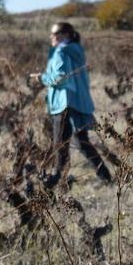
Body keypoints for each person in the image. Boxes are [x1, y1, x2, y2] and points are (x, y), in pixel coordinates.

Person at [33, 22, 111, 185]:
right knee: (82, 142)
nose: (51, 37)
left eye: (54, 33)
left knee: (60, 145)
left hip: (63, 104)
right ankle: (106, 177)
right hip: (78, 102)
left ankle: (56, 181)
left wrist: (42, 78)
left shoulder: (60, 51)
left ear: (65, 35)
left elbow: (61, 78)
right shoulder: (77, 51)